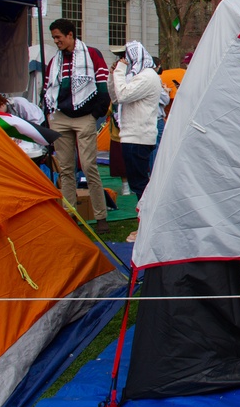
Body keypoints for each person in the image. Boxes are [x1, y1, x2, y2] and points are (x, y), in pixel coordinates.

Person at [44, 19, 111, 233]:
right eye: (54, 38)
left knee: (89, 166)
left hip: (85, 116)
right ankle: (70, 215)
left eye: (58, 37)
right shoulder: (54, 61)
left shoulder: (91, 55)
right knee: (65, 168)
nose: (56, 41)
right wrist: (49, 115)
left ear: (70, 35)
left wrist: (94, 114)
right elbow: (47, 90)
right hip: (60, 116)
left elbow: (103, 87)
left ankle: (100, 216)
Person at [108, 40, 162, 242]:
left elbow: (122, 95)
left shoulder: (147, 76)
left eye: (124, 57)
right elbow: (115, 96)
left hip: (139, 138)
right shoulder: (137, 77)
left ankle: (147, 227)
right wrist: (113, 74)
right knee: (137, 184)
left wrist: (120, 71)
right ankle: (146, 226)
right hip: (132, 136)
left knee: (140, 185)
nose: (122, 61)